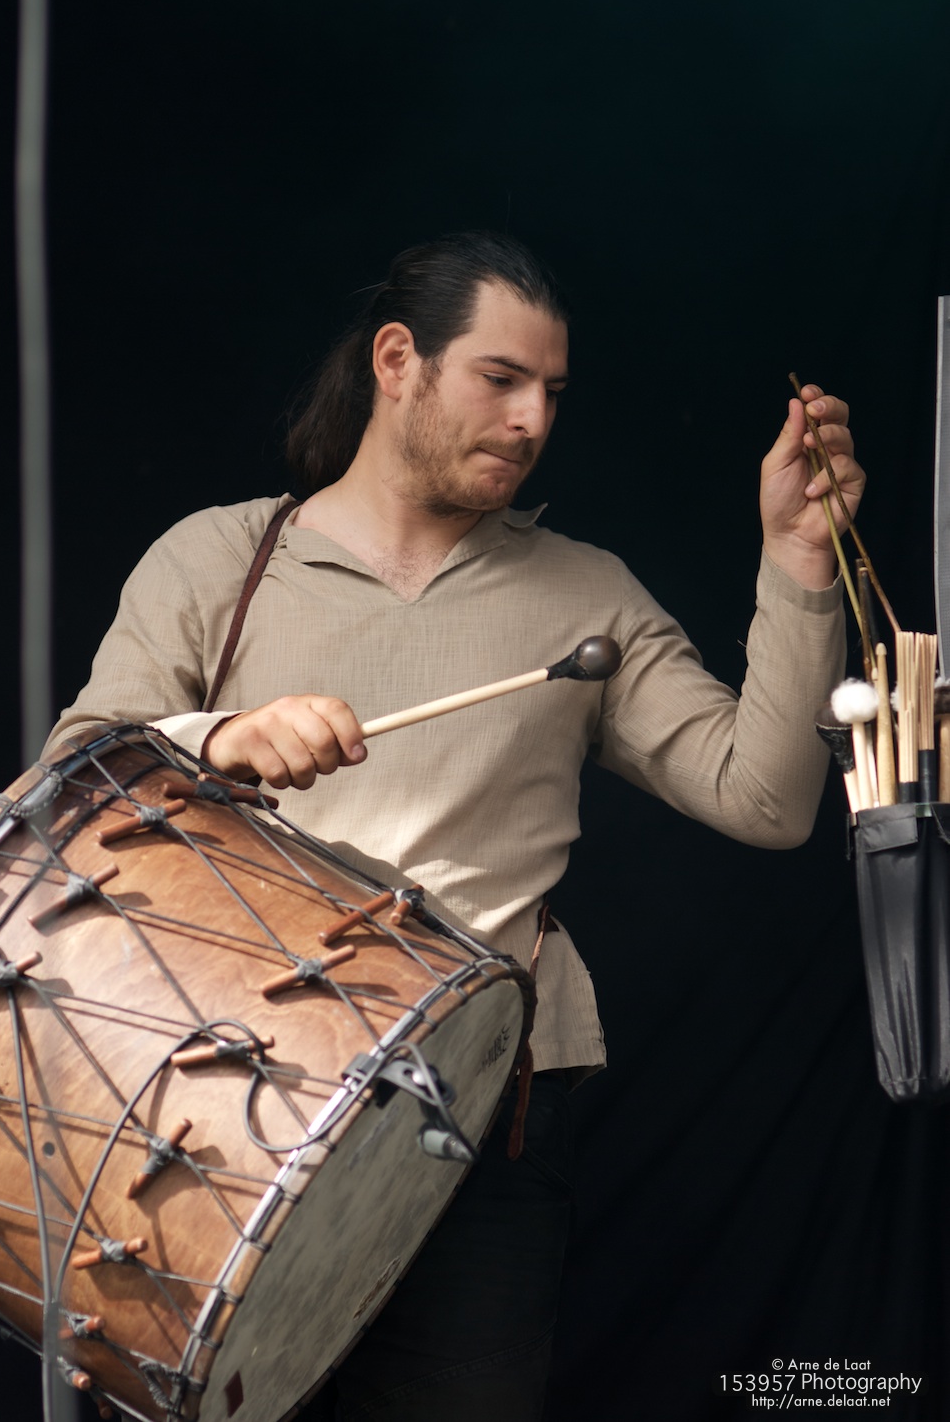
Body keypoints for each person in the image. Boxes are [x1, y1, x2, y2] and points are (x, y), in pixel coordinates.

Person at [45, 230, 864, 1420]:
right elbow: (65, 789)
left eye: (552, 393)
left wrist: (797, 561)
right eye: (500, 378)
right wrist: (215, 738)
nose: (532, 420)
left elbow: (770, 800)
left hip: (483, 1115)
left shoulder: (585, 593)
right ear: (398, 361)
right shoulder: (217, 560)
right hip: (221, 1105)